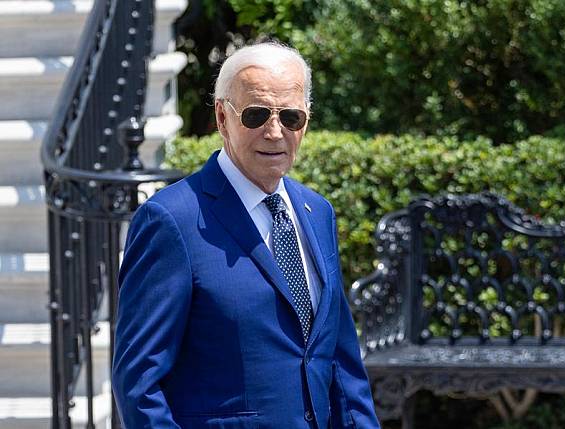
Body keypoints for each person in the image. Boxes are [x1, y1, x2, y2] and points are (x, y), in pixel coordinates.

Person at [112, 41, 380, 428]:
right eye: (256, 115)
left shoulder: (317, 211)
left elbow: (341, 361)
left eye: (291, 117)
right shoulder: (171, 220)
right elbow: (139, 382)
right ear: (223, 117)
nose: (275, 132)